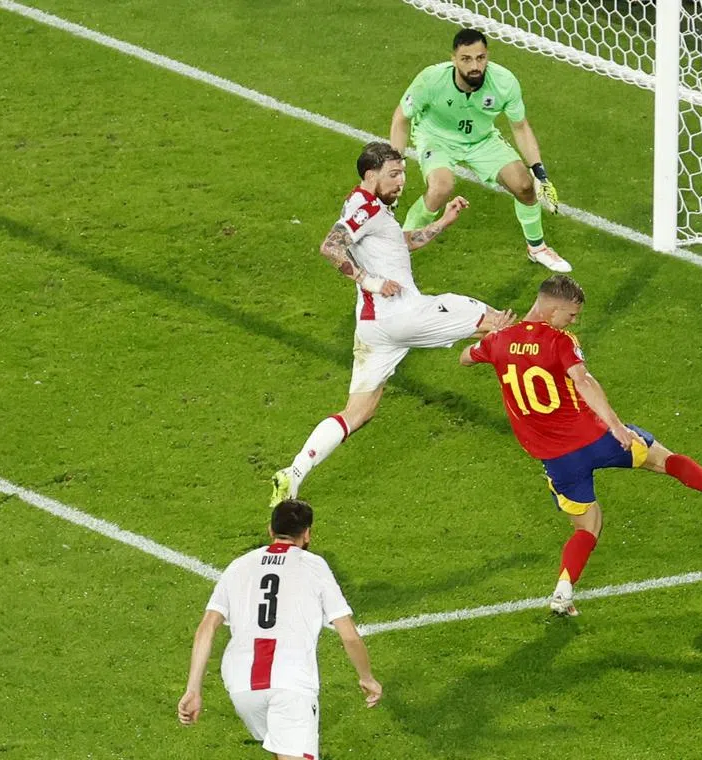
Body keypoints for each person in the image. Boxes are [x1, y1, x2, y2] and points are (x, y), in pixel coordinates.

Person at [460, 275, 702, 617]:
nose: (573, 321)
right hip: (596, 440)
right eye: (571, 315)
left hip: (557, 459)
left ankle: (563, 591)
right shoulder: (560, 341)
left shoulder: (498, 341)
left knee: (588, 526)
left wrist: (491, 332)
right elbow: (584, 380)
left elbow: (465, 358)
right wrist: (617, 426)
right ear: (552, 308)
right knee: (664, 460)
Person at [270, 141, 513, 503]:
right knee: (496, 320)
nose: (401, 182)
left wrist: (442, 223)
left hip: (374, 329)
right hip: (400, 314)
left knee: (359, 412)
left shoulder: (373, 210)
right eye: (393, 174)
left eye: (403, 174)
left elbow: (398, 244)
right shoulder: (363, 206)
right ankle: (553, 386)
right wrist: (371, 281)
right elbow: (330, 247)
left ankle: (293, 473)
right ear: (371, 175)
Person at [177, 499, 382, 760]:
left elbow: (206, 627)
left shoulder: (239, 566)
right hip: (290, 681)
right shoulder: (314, 566)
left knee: (282, 748)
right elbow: (349, 635)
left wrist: (193, 688)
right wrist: (366, 677)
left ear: (270, 530)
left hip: (242, 684)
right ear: (307, 533)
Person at [391, 27, 572, 274]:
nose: (475, 65)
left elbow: (520, 128)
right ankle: (398, 248)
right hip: (437, 138)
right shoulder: (431, 80)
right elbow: (401, 118)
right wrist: (395, 165)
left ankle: (537, 248)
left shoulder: (504, 82)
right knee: (440, 188)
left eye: (480, 58)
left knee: (525, 186)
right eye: (466, 59)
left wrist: (539, 172)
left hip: (482, 140)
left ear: (487, 56)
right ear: (453, 59)